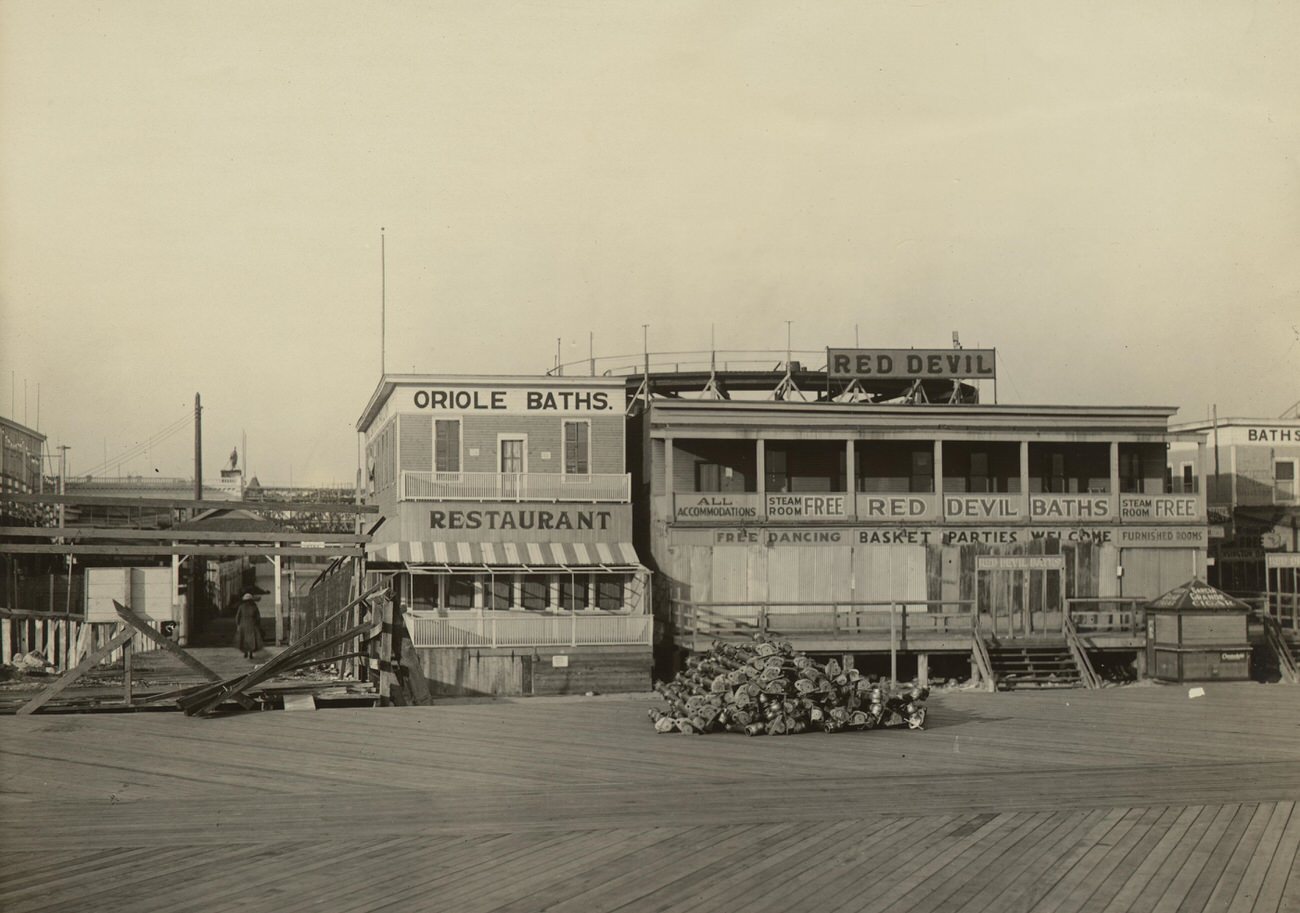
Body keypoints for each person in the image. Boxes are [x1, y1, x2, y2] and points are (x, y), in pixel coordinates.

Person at [234, 591, 265, 660]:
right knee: (251, 639)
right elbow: (258, 617)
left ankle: (245, 652)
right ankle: (250, 653)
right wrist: (257, 624)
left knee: (244, 639)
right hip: (252, 625)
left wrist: (238, 625)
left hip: (243, 625)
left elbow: (237, 617)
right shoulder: (254, 607)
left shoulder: (241, 607)